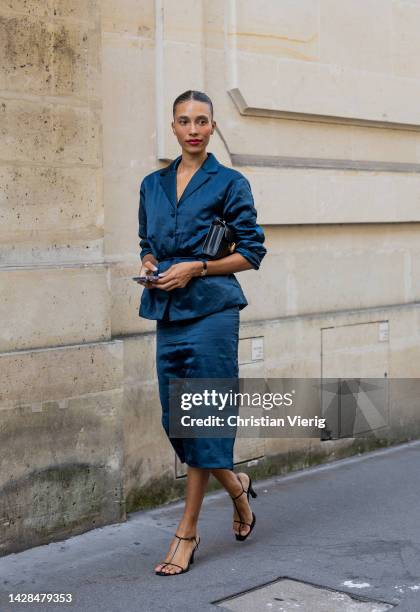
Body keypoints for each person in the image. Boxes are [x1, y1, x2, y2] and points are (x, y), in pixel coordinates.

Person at [136, 90, 266, 576]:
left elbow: (251, 253)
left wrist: (197, 267)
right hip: (167, 311)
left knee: (202, 420)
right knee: (177, 422)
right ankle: (238, 489)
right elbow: (148, 243)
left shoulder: (230, 182)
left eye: (202, 121)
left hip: (212, 313)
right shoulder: (151, 184)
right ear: (172, 127)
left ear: (212, 128)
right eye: (184, 120)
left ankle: (186, 531)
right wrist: (150, 263)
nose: (193, 128)